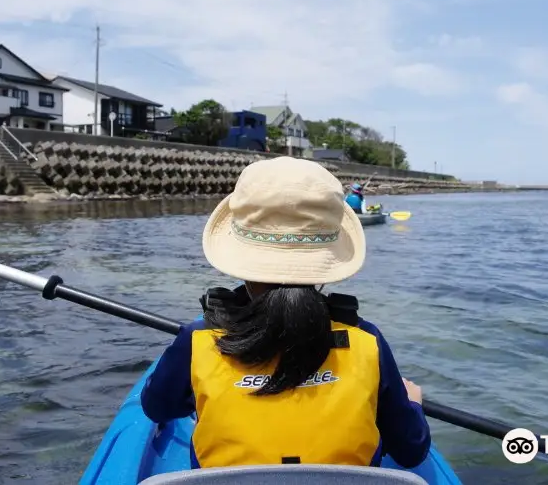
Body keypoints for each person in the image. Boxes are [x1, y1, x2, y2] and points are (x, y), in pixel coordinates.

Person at [140, 156, 431, 470]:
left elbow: (157, 407)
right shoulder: (366, 340)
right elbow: (411, 450)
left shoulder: (197, 340)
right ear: (325, 264)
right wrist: (412, 401)